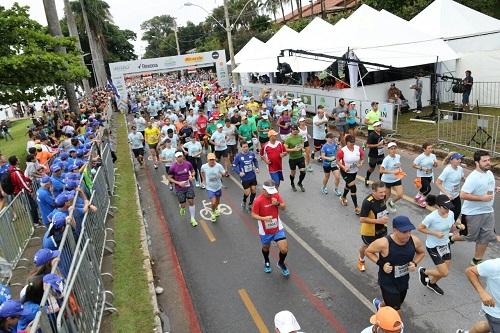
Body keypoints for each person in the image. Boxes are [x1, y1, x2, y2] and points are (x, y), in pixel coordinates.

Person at [365, 216, 425, 312]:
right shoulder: (384, 243)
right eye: (404, 232)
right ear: (395, 230)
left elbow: (421, 253)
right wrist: (382, 264)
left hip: (403, 280)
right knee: (396, 311)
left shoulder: (414, 241)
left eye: (409, 231)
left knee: (397, 303)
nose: (408, 234)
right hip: (387, 282)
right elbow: (368, 252)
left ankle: (380, 305)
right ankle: (382, 322)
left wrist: (414, 263)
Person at [458, 150, 498, 266]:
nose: (488, 163)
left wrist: (495, 189)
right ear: (477, 162)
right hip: (472, 213)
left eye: (489, 160)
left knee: (486, 236)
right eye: (484, 161)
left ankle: (476, 260)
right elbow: (463, 195)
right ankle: (451, 238)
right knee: (469, 237)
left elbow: (487, 187)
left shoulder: (489, 173)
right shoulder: (473, 177)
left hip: (488, 211)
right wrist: (482, 198)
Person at [417, 195, 457, 295]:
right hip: (433, 247)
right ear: (438, 207)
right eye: (445, 208)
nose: (448, 210)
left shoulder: (451, 213)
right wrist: (435, 233)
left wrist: (458, 226)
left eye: (449, 207)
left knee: (444, 270)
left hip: (445, 244)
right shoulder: (431, 217)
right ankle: (424, 272)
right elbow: (420, 228)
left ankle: (432, 283)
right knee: (444, 273)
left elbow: (452, 225)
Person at [251, 180, 289, 277]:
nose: (271, 194)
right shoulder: (258, 201)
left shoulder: (275, 195)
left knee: (284, 249)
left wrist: (277, 204)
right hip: (265, 229)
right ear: (263, 190)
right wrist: (264, 218)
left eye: (272, 191)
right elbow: (253, 215)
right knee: (266, 247)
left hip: (277, 227)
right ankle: (267, 261)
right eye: (269, 192)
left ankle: (281, 263)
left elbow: (284, 207)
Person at [456, 258, 500, 333]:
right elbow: (470, 271)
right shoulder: (496, 265)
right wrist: (482, 293)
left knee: (487, 326)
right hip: (496, 312)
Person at [358, 181, 389, 273]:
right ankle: (361, 260)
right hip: (370, 232)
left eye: (384, 191)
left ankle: (384, 266)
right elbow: (362, 219)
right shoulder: (367, 202)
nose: (383, 194)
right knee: (366, 247)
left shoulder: (383, 197)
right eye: (381, 192)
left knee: (383, 247)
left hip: (382, 228)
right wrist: (378, 221)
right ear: (373, 191)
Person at [167, 152, 198, 227]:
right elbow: (169, 178)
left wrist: (192, 176)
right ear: (176, 158)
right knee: (183, 204)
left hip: (189, 186)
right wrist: (178, 183)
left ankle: (192, 218)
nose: (180, 158)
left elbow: (193, 171)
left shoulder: (188, 164)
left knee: (191, 201)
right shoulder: (173, 167)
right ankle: (182, 207)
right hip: (179, 188)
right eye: (178, 157)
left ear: (183, 156)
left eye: (181, 156)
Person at [337, 135, 364, 215]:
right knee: (352, 186)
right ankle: (356, 207)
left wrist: (361, 163)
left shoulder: (357, 148)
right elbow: (338, 161)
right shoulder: (342, 150)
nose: (353, 144)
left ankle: (343, 197)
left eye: (353, 143)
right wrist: (343, 167)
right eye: (351, 143)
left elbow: (362, 158)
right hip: (345, 171)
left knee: (348, 185)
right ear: (347, 142)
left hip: (354, 171)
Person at [435, 152, 465, 223]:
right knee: (446, 214)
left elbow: (462, 178)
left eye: (460, 159)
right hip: (447, 196)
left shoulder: (460, 169)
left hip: (456, 195)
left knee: (457, 212)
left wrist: (467, 181)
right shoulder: (447, 170)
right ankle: (443, 226)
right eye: (457, 159)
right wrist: (447, 194)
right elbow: (438, 183)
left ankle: (450, 226)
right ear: (451, 160)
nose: (460, 160)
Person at [233, 141, 259, 211]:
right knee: (247, 192)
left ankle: (250, 204)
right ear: (241, 148)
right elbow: (234, 166)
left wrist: (257, 168)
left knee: (253, 190)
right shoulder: (238, 156)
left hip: (252, 176)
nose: (246, 148)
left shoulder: (251, 154)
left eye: (246, 146)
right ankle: (244, 200)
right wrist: (239, 172)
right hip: (244, 178)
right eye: (244, 147)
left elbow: (255, 161)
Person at [200, 153, 226, 222]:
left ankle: (216, 209)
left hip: (218, 186)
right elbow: (202, 172)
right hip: (210, 188)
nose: (212, 161)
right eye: (210, 160)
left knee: (217, 202)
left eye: (213, 159)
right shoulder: (204, 166)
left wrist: (222, 174)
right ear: (207, 160)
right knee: (213, 202)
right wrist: (204, 180)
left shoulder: (218, 166)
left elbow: (223, 173)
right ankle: (213, 213)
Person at [380, 142, 405, 213]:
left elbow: (398, 166)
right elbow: (381, 170)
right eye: (391, 149)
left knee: (400, 195)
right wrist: (392, 172)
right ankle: (381, 209)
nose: (393, 150)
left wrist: (400, 170)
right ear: (388, 150)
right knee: (386, 196)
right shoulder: (386, 159)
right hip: (387, 180)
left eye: (394, 148)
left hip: (396, 179)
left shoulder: (398, 156)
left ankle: (391, 203)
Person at [413, 142, 438, 208]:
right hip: (421, 175)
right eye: (429, 148)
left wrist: (435, 163)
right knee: (428, 188)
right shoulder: (420, 157)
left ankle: (417, 196)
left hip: (429, 175)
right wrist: (422, 168)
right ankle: (421, 200)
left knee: (424, 188)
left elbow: (435, 166)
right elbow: (414, 165)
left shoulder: (433, 156)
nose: (430, 149)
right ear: (424, 149)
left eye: (431, 148)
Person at [285, 125, 306, 192]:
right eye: (293, 129)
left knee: (303, 172)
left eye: (296, 129)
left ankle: (299, 183)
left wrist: (302, 149)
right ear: (291, 130)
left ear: (298, 130)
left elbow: (302, 144)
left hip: (300, 157)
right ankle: (292, 183)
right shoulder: (288, 139)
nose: (295, 131)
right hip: (292, 159)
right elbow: (285, 149)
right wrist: (293, 149)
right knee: (293, 173)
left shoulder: (300, 136)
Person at [365, 121, 385, 186]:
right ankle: (367, 178)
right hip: (373, 155)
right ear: (374, 127)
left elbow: (382, 141)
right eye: (377, 126)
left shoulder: (381, 133)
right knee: (371, 169)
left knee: (381, 169)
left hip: (381, 155)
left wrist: (385, 143)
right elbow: (367, 145)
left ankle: (381, 183)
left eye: (380, 125)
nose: (379, 127)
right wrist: (378, 145)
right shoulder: (372, 135)